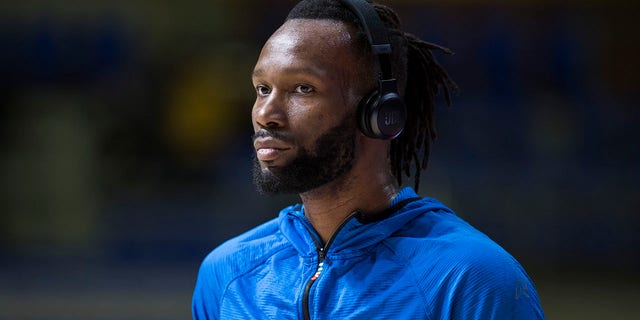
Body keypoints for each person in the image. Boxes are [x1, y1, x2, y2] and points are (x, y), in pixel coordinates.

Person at [192, 0, 545, 319]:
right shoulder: (226, 274)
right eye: (262, 89)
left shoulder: (468, 278)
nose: (266, 114)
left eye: (303, 89)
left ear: (380, 113)